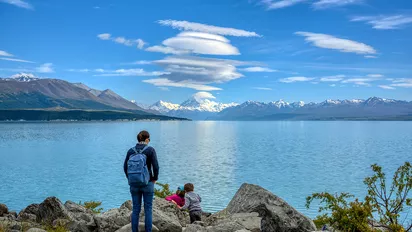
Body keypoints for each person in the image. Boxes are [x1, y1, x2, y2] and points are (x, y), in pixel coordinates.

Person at [124, 130, 159, 232]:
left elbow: (125, 167)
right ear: (147, 139)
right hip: (147, 183)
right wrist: (154, 179)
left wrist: (130, 179)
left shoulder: (131, 151)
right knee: (148, 209)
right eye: (149, 139)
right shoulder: (150, 150)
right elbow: (155, 167)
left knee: (135, 209)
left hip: (134, 184)